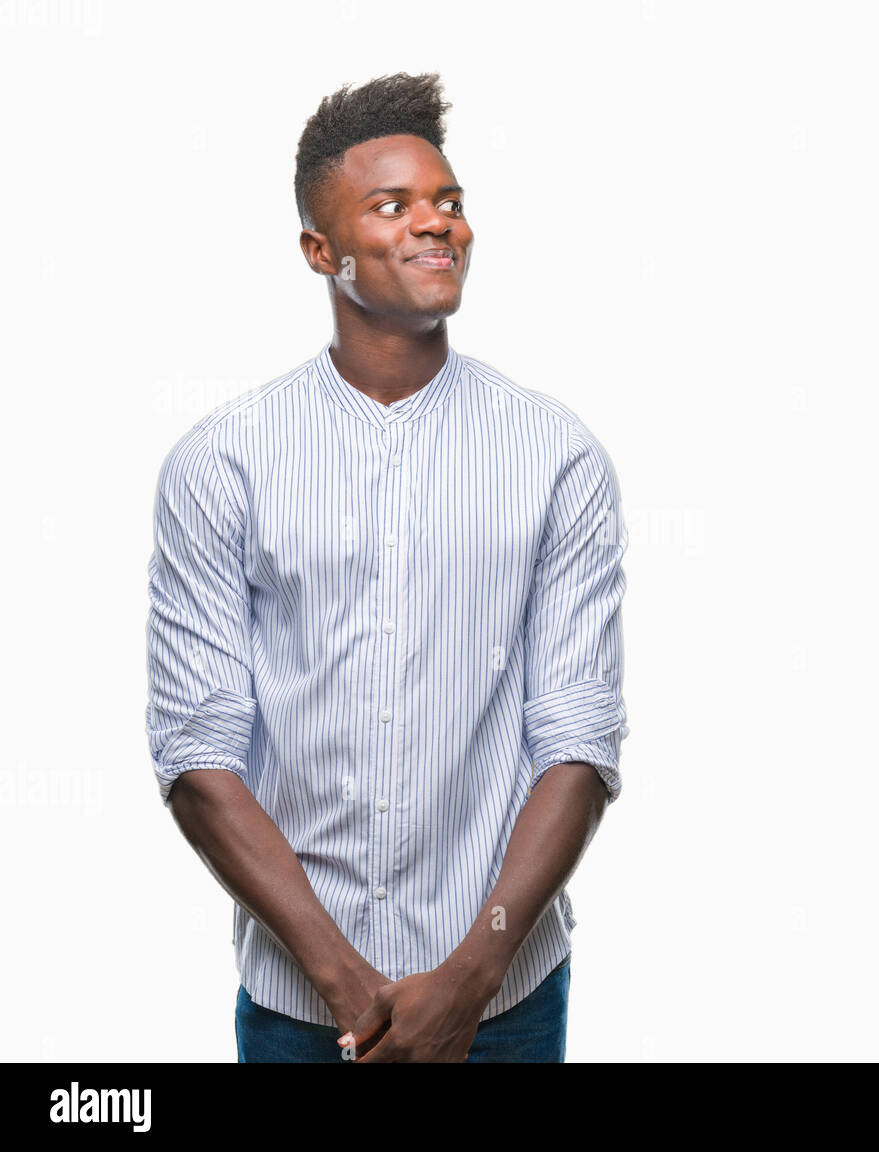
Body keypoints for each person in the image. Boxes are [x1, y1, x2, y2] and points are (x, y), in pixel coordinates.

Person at [144, 72, 630, 1063]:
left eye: (448, 202)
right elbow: (197, 755)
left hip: (506, 1004)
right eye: (393, 204)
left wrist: (473, 970)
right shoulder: (223, 461)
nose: (436, 224)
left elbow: (576, 742)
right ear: (321, 250)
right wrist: (344, 983)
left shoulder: (555, 456)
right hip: (299, 1012)